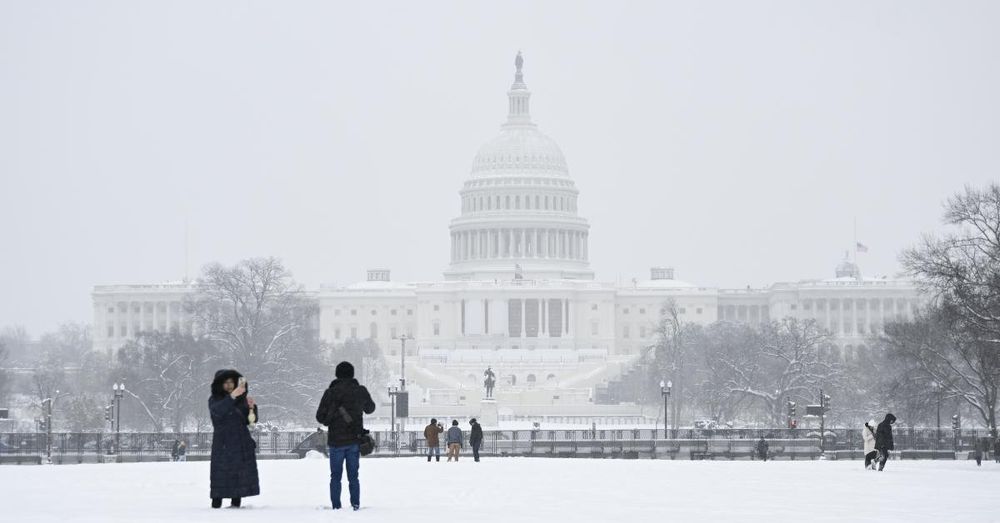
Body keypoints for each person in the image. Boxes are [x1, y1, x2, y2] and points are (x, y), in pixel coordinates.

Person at [315, 361, 376, 511]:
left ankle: (336, 506)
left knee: (335, 476)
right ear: (352, 374)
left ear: (337, 374)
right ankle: (355, 505)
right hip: (354, 440)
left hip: (336, 441)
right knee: (353, 476)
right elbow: (370, 408)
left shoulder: (330, 393)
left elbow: (320, 417)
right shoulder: (360, 390)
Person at [208, 369, 260, 509]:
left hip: (240, 442)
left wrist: (252, 408)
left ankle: (236, 503)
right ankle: (216, 503)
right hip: (223, 444)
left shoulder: (241, 400)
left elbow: (250, 422)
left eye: (231, 382)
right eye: (226, 382)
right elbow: (218, 412)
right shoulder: (214, 400)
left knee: (239, 475)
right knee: (221, 474)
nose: (229, 385)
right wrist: (231, 397)